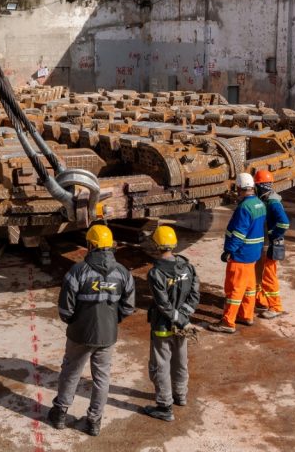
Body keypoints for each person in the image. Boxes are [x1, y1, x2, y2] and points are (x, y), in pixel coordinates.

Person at [47, 224, 135, 436]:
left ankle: (60, 413)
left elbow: (65, 308)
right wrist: (112, 321)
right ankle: (94, 421)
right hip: (107, 335)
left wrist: (74, 322)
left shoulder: (78, 271)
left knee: (71, 372)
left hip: (80, 334)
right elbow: (129, 306)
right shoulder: (123, 273)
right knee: (102, 378)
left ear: (91, 245)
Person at [141, 226, 199, 422]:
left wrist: (177, 318)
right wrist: (184, 318)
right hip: (183, 327)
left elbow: (163, 304)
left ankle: (165, 406)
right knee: (181, 361)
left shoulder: (156, 273)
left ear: (156, 245)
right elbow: (194, 296)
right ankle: (180, 395)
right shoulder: (187, 267)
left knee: (161, 365)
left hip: (163, 327)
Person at [208, 173, 265, 334]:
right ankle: (246, 315)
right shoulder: (259, 204)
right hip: (253, 253)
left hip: (241, 254)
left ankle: (228, 322)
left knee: (234, 289)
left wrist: (229, 250)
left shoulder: (244, 208)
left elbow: (239, 233)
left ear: (239, 188)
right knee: (249, 287)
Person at [254, 170, 290, 317]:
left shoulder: (273, 202)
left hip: (271, 245)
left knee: (268, 275)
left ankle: (276, 307)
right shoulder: (266, 198)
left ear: (260, 186)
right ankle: (261, 301)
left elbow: (284, 223)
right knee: (261, 273)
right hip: (267, 244)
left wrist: (272, 234)